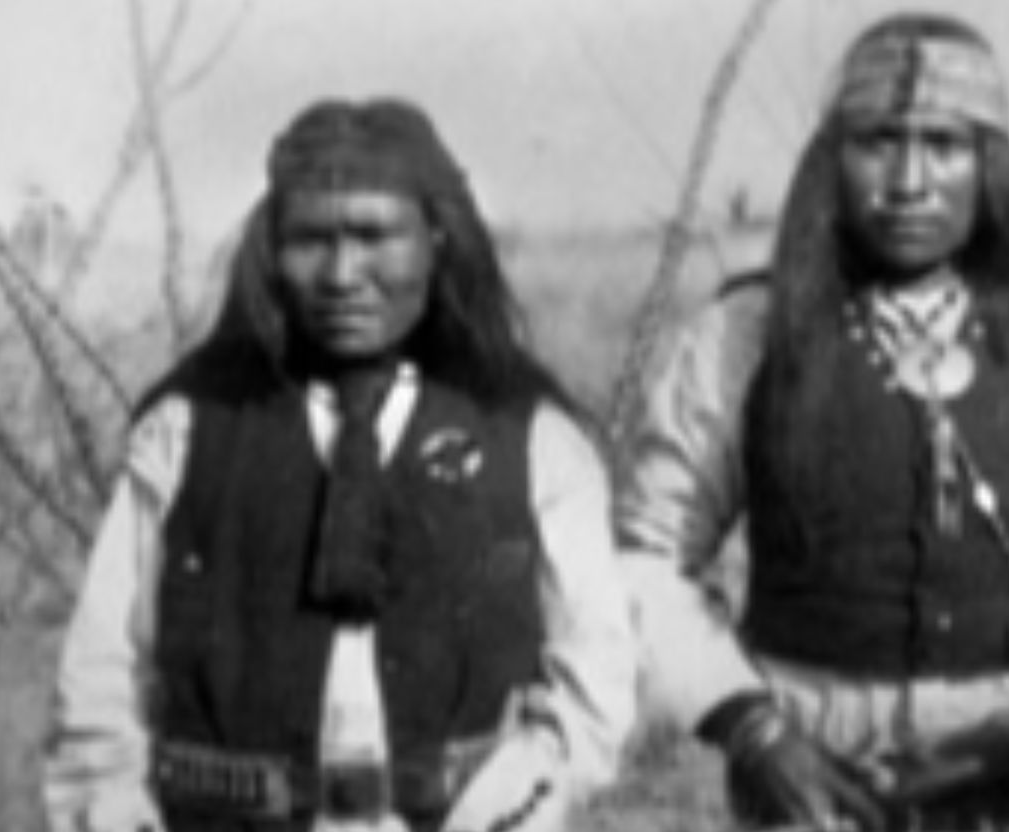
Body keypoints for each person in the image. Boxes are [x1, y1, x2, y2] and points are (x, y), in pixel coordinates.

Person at [617, 12, 1009, 831]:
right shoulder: (748, 335)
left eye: (944, 144)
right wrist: (753, 731)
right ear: (831, 162)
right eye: (877, 142)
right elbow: (647, 560)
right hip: (815, 784)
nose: (909, 182)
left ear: (990, 164)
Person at [45, 98, 637, 832]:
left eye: (373, 235)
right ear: (271, 247)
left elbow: (595, 674)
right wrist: (109, 808)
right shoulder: (190, 431)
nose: (341, 274)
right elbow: (101, 679)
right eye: (310, 239)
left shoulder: (527, 436)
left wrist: (527, 792)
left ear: (436, 238)